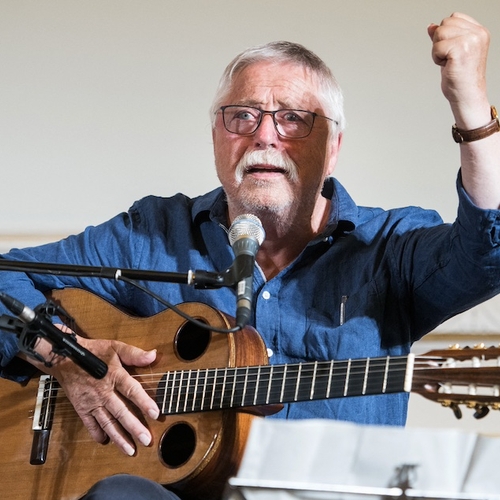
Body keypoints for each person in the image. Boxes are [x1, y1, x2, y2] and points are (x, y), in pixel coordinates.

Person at [1, 11, 500, 500]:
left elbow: (486, 256)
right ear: (218, 137)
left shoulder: (389, 246)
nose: (264, 135)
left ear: (333, 147)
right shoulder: (152, 232)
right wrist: (65, 355)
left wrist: (471, 107)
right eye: (242, 116)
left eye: (293, 119)